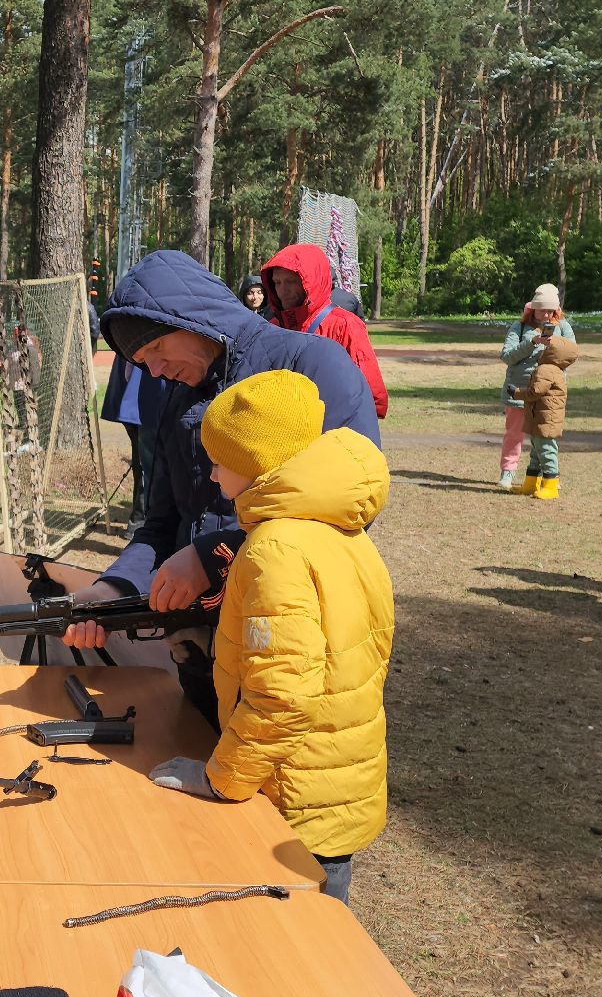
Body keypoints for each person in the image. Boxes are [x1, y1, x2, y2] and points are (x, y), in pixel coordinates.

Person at [61, 250, 379, 724]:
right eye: (142, 363)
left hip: (291, 647)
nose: (156, 372)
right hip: (200, 645)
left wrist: (213, 555)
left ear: (189, 320)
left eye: (157, 352)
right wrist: (115, 589)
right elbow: (162, 521)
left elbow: (348, 507)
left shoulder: (312, 364)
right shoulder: (178, 399)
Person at [144, 370, 392, 904]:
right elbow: (324, 650)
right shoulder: (335, 524)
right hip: (335, 777)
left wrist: (221, 779)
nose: (211, 475)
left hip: (294, 799)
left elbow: (281, 696)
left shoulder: (272, 550)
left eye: (219, 459)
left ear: (255, 463)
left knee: (299, 949)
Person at [260, 244, 388, 419]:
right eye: (277, 282)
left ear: (310, 281)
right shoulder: (273, 327)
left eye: (290, 281)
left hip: (330, 429)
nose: (282, 291)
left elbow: (372, 396)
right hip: (285, 430)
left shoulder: (344, 325)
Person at [499, 285, 576, 489]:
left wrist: (554, 344)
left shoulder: (563, 327)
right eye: (543, 310)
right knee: (514, 435)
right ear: (533, 308)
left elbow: (571, 354)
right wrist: (532, 342)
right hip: (518, 390)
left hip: (547, 394)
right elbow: (507, 356)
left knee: (544, 435)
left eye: (551, 311)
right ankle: (508, 471)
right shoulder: (519, 327)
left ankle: (548, 476)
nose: (547, 314)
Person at [99, 336, 173, 529]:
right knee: (150, 468)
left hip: (140, 403)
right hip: (144, 403)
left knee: (145, 467)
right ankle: (142, 524)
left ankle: (139, 521)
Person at [511, 331, 578, 500]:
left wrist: (516, 392)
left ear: (554, 353)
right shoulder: (555, 369)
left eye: (546, 348)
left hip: (544, 420)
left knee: (546, 452)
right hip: (542, 418)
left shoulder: (546, 369)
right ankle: (531, 484)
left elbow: (535, 392)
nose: (541, 351)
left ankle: (550, 486)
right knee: (536, 452)